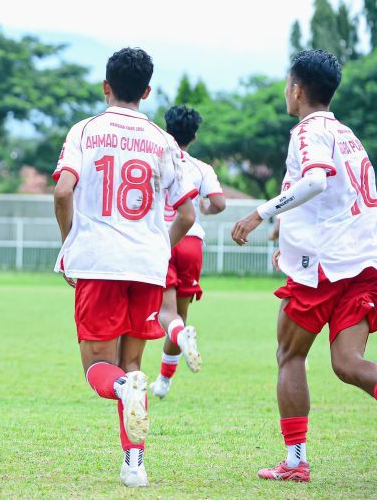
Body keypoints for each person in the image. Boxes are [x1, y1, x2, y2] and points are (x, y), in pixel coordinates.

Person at [53, 48, 197, 487]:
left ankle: (121, 390)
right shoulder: (163, 140)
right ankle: (134, 465)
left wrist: (70, 243)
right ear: (148, 91)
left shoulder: (86, 130)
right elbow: (188, 215)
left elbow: (62, 192)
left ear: (106, 86)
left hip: (99, 261)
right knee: (133, 364)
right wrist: (159, 248)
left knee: (100, 368)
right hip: (147, 266)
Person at [231, 49, 377, 482]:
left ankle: (295, 462)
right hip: (363, 262)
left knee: (289, 355)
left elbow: (314, 180)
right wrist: (287, 233)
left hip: (325, 268)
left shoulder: (307, 131)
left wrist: (261, 213)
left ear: (296, 89)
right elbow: (333, 195)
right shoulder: (346, 133)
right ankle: (294, 461)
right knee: (348, 364)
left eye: (286, 83)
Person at [150, 106, 226, 399]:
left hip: (163, 239)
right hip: (192, 242)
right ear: (194, 135)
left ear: (165, 130)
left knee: (166, 316)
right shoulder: (200, 168)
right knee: (178, 316)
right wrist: (204, 207)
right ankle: (163, 384)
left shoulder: (156, 161)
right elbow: (218, 203)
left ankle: (180, 337)